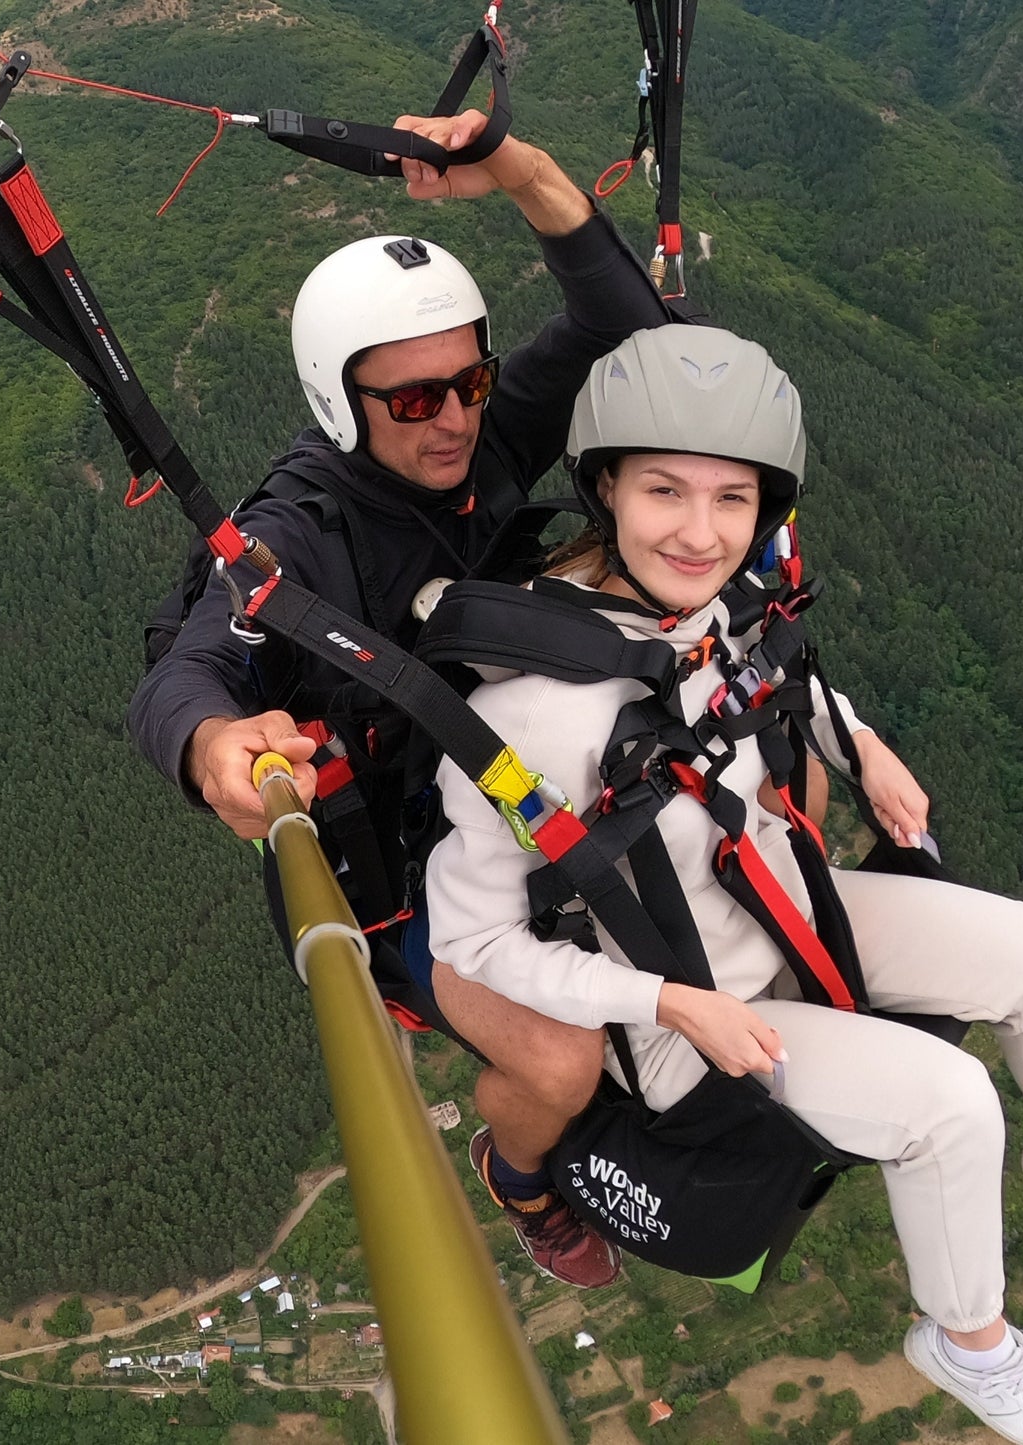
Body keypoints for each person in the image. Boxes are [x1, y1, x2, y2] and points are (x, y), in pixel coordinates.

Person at [424, 323, 1023, 1445]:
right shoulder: (520, 714)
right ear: (604, 490)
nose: (698, 530)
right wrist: (666, 1005)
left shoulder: (711, 606)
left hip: (790, 906)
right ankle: (966, 1341)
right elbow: (473, 945)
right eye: (664, 492)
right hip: (694, 1015)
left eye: (731, 500)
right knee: (949, 1106)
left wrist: (859, 746)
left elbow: (777, 682)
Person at [128, 110, 673, 1288]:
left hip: (519, 780)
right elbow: (183, 670)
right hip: (406, 859)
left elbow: (623, 328)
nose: (459, 417)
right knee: (563, 1064)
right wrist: (214, 743)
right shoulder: (296, 533)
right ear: (343, 403)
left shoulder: (471, 445)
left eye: (471, 380)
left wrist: (521, 171)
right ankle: (521, 1182)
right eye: (414, 401)